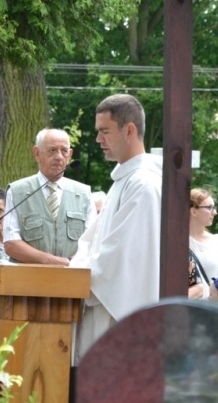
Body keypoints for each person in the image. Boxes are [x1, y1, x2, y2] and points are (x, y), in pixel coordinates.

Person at [71, 94, 163, 360]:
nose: (99, 140)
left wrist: (79, 272)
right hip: (105, 308)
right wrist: (77, 265)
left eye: (105, 131)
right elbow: (92, 240)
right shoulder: (125, 180)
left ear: (130, 130)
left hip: (119, 315)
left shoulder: (143, 184)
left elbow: (122, 258)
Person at [3, 128, 96, 265]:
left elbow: (92, 241)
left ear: (70, 155)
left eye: (64, 151)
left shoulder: (84, 194)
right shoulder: (17, 192)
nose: (59, 157)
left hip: (71, 280)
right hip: (28, 281)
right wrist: (58, 262)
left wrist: (73, 263)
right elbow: (11, 243)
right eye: (52, 150)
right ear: (37, 153)